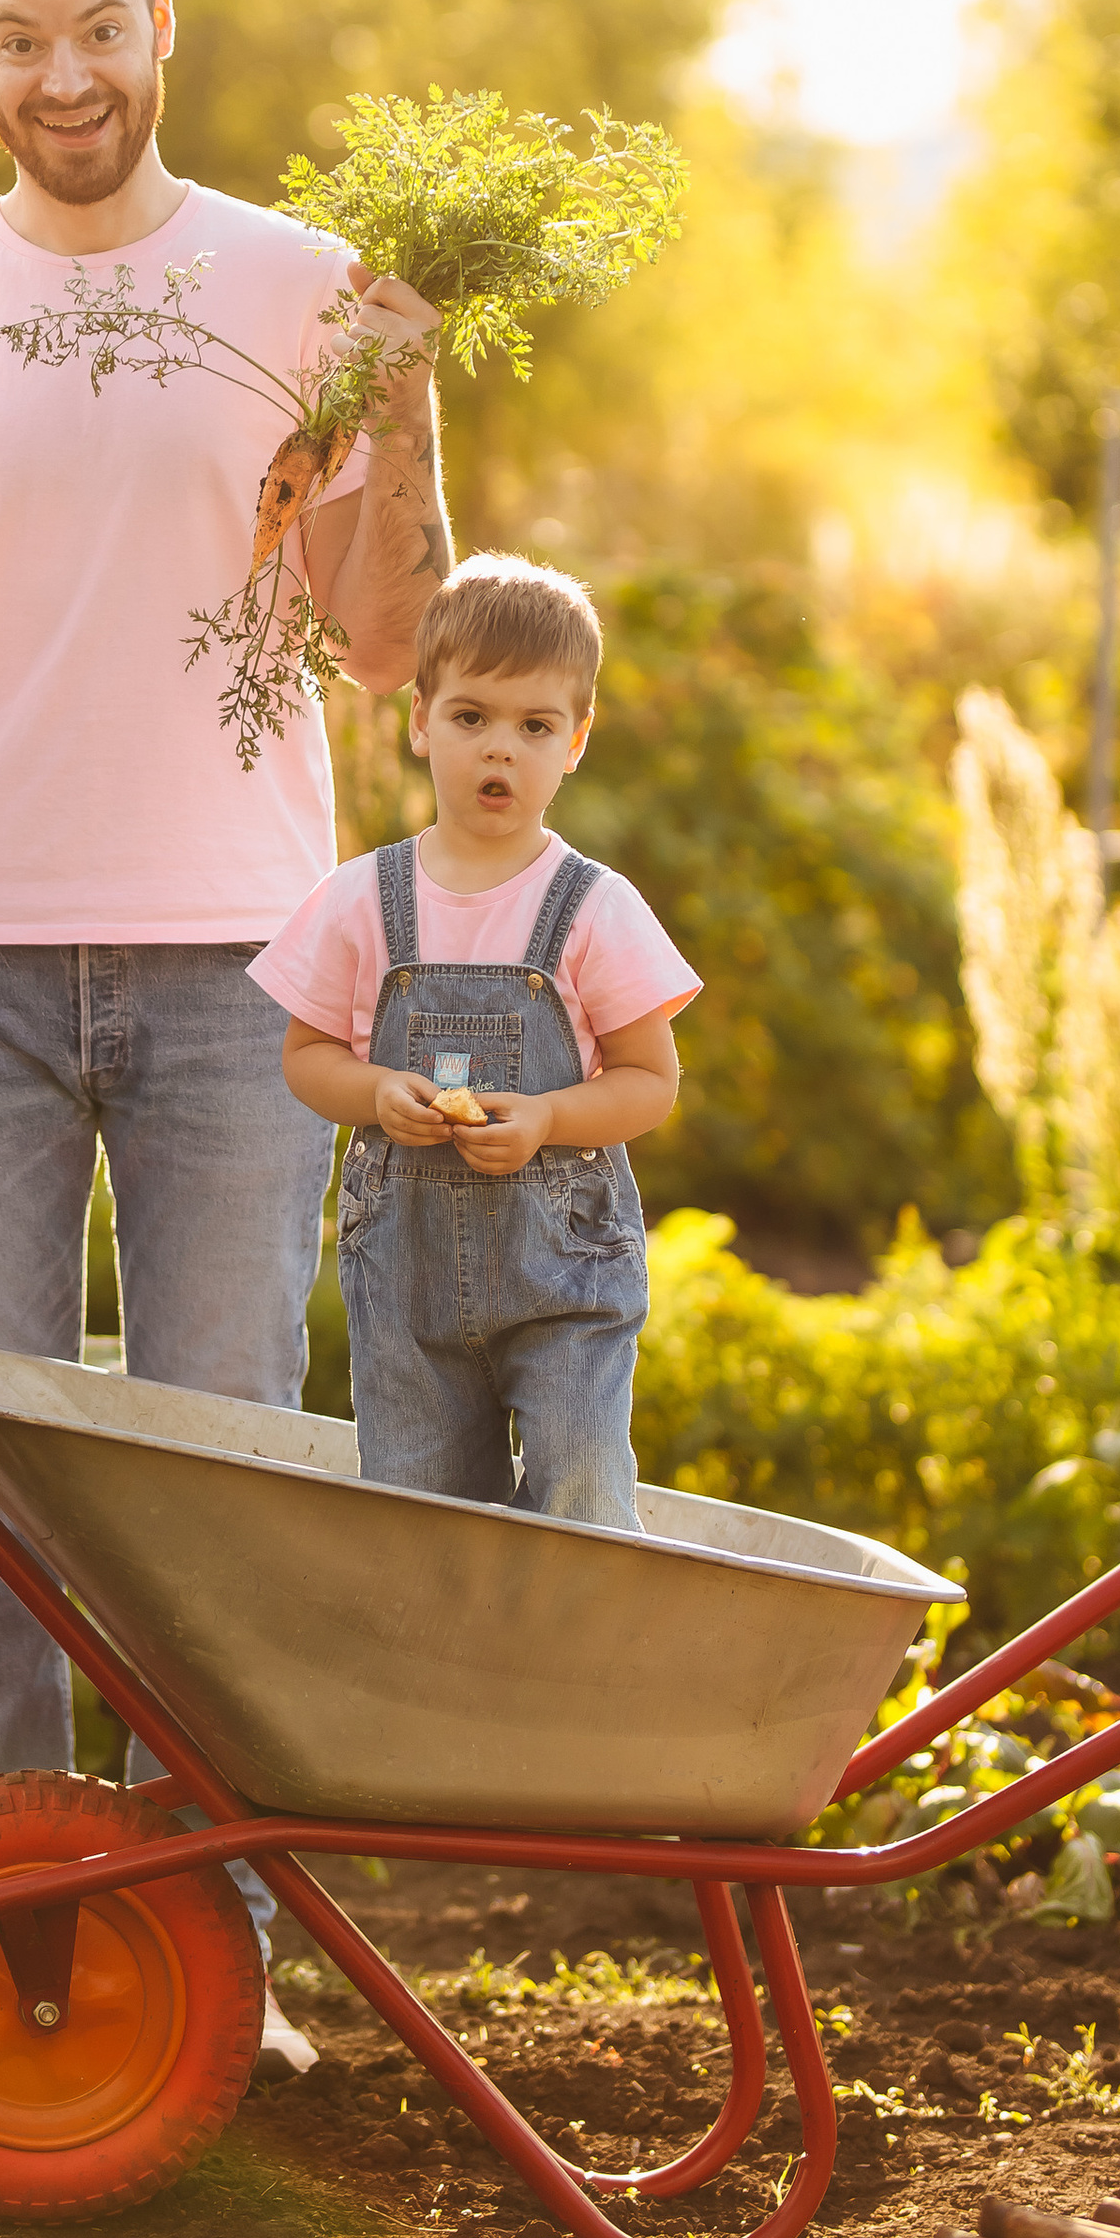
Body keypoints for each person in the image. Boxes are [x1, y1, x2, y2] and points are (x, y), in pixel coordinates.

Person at [0, 0, 447, 2061]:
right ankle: (1, 1936)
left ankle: (207, 1972)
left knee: (212, 1481)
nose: (58, 76)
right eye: (14, 38)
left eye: (94, 27)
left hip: (226, 973)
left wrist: (408, 400)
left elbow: (381, 641)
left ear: (162, 19)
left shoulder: (303, 285)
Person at [252, 552, 698, 1529]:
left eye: (533, 726)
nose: (500, 750)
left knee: (581, 1484)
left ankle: (572, 1667)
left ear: (574, 741)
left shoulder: (593, 910)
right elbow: (305, 1057)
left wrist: (546, 1115)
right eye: (470, 718)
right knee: (422, 1516)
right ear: (419, 720)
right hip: (409, 1287)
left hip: (561, 1276)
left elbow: (647, 1083)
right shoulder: (360, 901)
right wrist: (373, 1094)